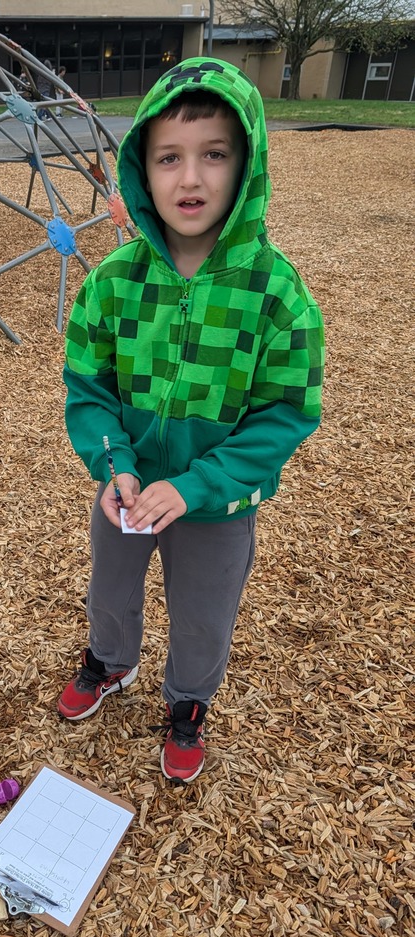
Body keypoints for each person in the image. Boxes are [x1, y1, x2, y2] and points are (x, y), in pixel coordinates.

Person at [57, 58, 324, 783]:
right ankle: (109, 662)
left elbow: (286, 413)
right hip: (126, 485)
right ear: (141, 168)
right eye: (168, 157)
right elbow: (87, 388)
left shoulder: (275, 293)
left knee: (204, 613)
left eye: (214, 155)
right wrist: (114, 464)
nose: (190, 179)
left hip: (218, 502)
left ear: (246, 164)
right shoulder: (114, 282)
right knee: (109, 590)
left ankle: (187, 702)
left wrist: (198, 485)